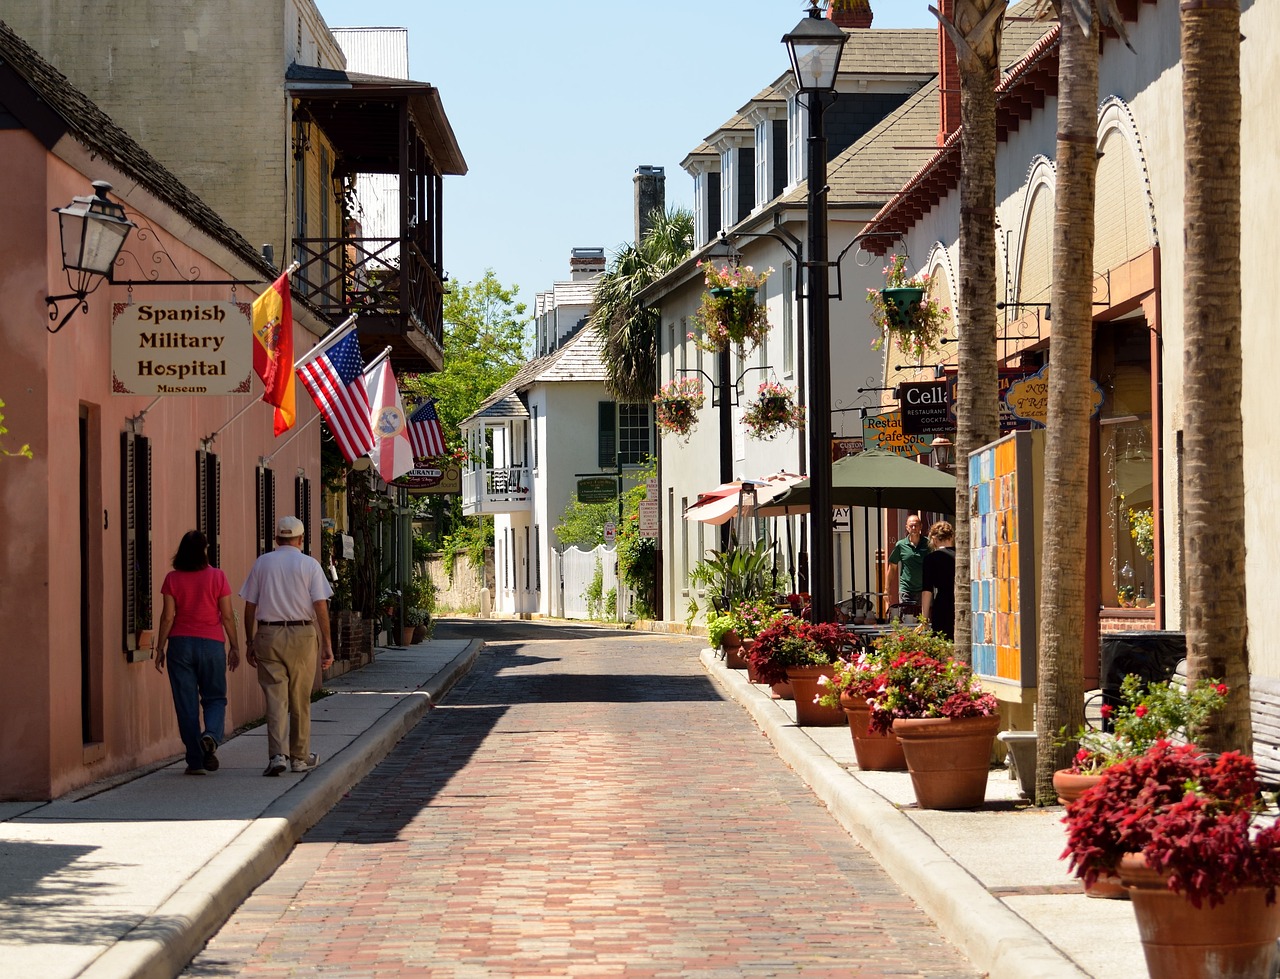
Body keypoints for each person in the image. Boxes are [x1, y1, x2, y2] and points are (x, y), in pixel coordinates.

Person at [240, 516, 334, 777]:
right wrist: (327, 643)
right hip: (302, 633)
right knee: (300, 699)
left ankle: (277, 755)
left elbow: (249, 605)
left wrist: (250, 640)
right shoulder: (309, 565)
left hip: (268, 634)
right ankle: (300, 757)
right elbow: (320, 605)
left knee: (275, 698)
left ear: (276, 538)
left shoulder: (262, 563)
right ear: (301, 539)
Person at [154, 530, 240, 775]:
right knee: (214, 698)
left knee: (186, 704)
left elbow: (168, 617)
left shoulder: (172, 579)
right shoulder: (218, 576)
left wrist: (160, 647)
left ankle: (195, 759)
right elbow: (226, 615)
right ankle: (211, 735)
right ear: (204, 550)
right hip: (211, 645)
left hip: (180, 646)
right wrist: (234, 645)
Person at [920, 520, 957, 641]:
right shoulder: (962, 555)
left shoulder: (930, 559)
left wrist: (924, 619)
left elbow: (927, 590)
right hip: (963, 602)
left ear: (934, 540)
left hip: (942, 605)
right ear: (951, 537)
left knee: (943, 644)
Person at [887, 514, 931, 607]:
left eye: (916, 525)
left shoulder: (928, 544)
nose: (914, 528)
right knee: (907, 618)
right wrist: (887, 589)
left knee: (924, 619)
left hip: (924, 590)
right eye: (911, 526)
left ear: (921, 527)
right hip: (906, 590)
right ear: (907, 527)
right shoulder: (901, 545)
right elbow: (892, 567)